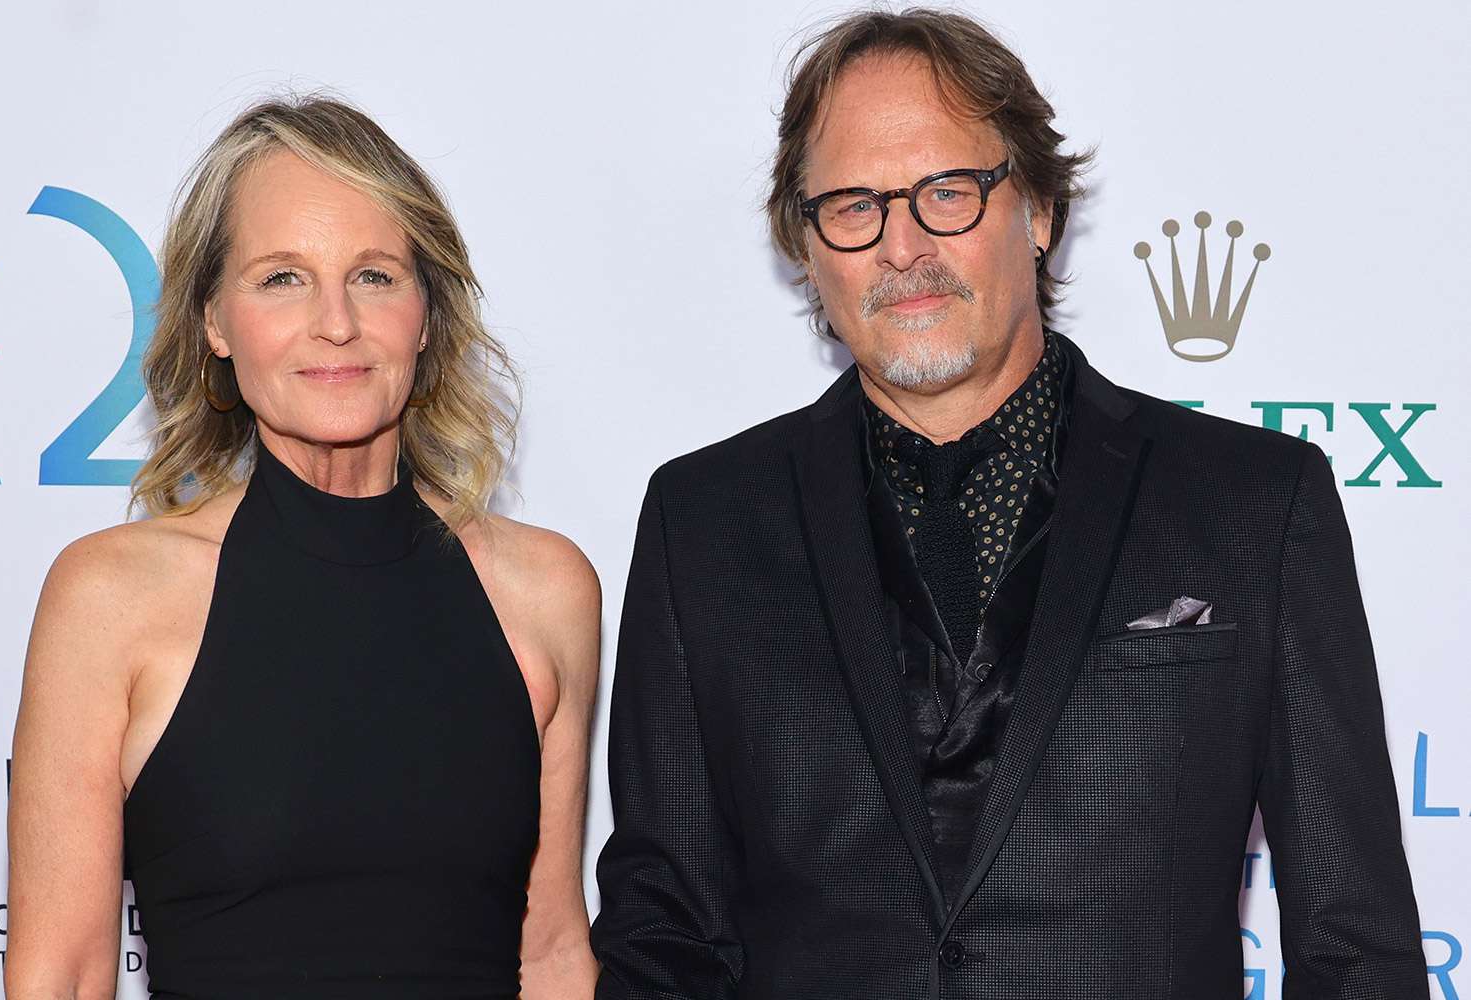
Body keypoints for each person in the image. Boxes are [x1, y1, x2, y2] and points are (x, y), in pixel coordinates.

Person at [592, 9, 1426, 998]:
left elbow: (1352, 944)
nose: (902, 246)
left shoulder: (1253, 502)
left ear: (1037, 209)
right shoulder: (704, 522)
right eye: (854, 206)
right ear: (805, 248)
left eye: (946, 192)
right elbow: (668, 936)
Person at [5, 97, 599, 998]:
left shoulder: (546, 589)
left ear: (427, 314)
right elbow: (65, 974)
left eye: (374, 275)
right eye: (282, 277)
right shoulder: (110, 596)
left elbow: (551, 953)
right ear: (213, 322)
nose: (335, 323)